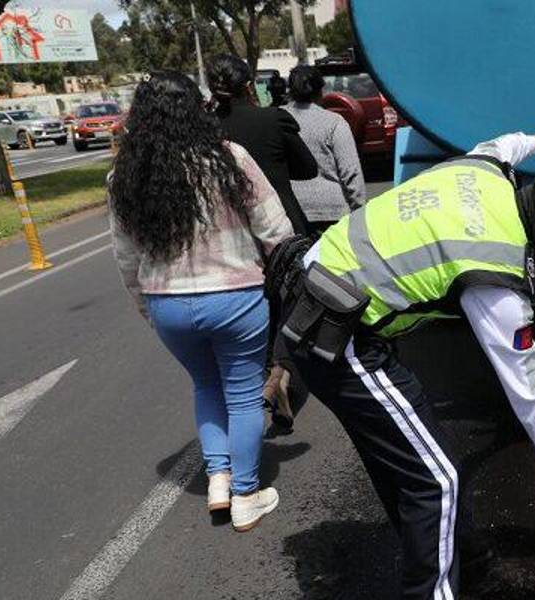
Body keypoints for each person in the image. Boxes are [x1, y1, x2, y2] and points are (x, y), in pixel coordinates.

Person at [263, 132, 535, 598]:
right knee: (437, 480)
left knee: (414, 467)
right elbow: (529, 390)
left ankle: (467, 567)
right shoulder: (494, 274)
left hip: (321, 288)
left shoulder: (483, 171)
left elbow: (502, 144)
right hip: (335, 331)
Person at [108, 71, 292, 531]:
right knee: (245, 394)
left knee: (206, 387)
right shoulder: (229, 160)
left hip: (167, 302)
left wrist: (146, 310)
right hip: (235, 297)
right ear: (198, 108)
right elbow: (275, 229)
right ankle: (246, 494)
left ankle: (218, 479)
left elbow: (126, 257)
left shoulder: (124, 177)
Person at [208, 55, 318, 235]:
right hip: (283, 224)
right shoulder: (274, 119)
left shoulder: (205, 127)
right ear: (249, 87)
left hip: (232, 232)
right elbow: (308, 169)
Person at [283, 65, 366, 235]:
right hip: (333, 211)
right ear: (320, 91)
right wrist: (360, 209)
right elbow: (350, 171)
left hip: (292, 210)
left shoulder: (277, 119)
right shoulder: (334, 122)